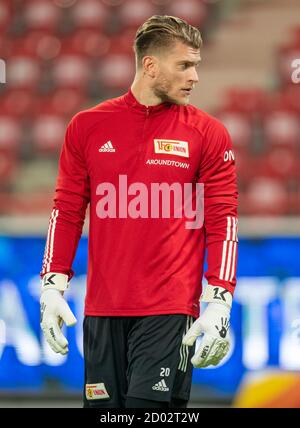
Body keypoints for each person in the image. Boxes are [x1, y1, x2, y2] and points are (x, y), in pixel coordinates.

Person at [40, 15, 238, 408]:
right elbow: (65, 211)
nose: (195, 76)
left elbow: (223, 220)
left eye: (195, 65)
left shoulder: (209, 134)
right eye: (184, 65)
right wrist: (51, 286)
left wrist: (219, 299)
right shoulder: (87, 127)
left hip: (170, 311)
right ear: (150, 66)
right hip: (101, 310)